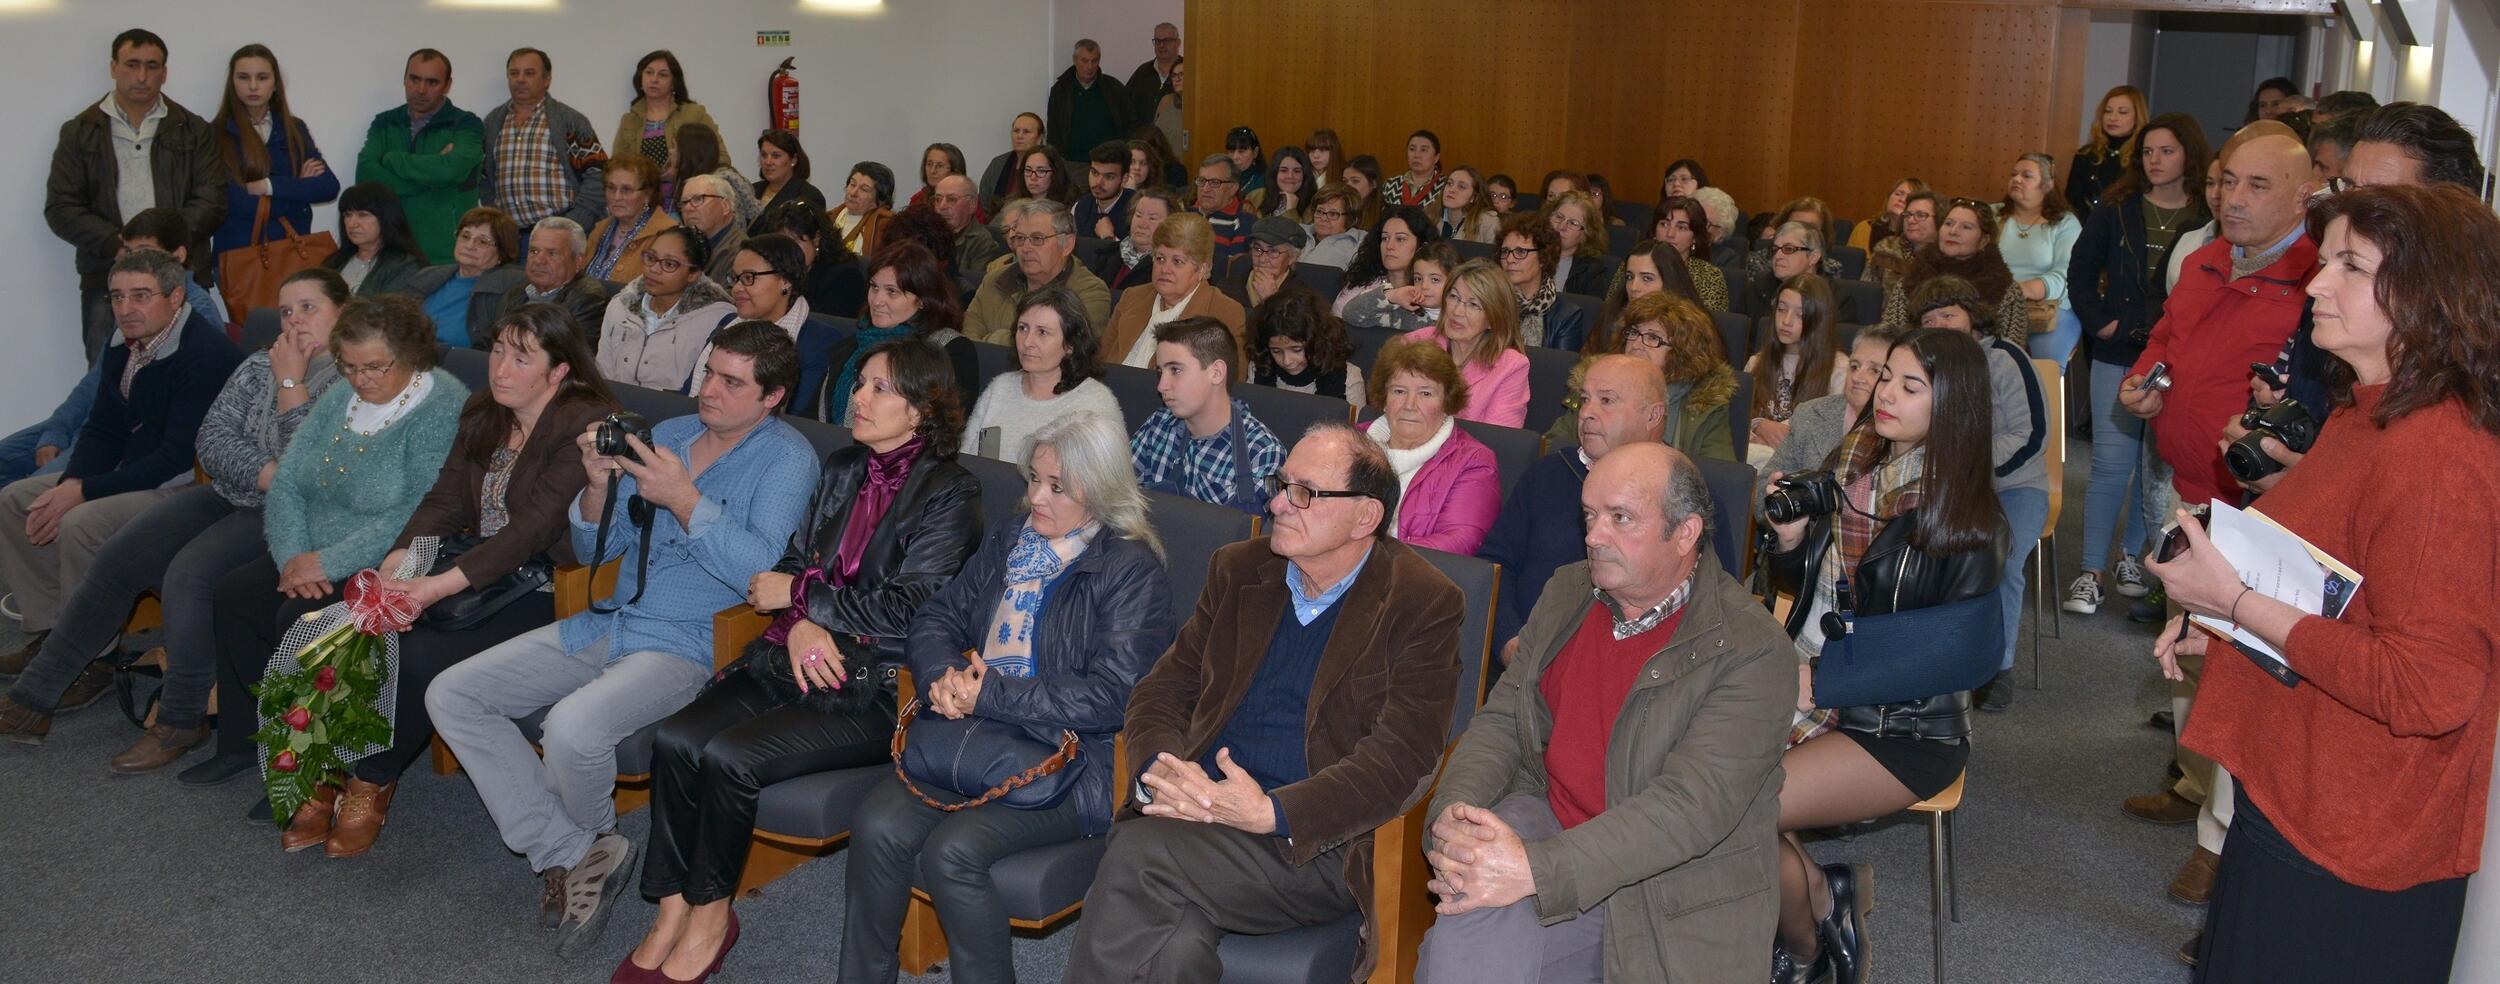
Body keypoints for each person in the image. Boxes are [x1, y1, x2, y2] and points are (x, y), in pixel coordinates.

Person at [2154, 182, 2500, 980]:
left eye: (2350, 265)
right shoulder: (2369, 409)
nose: (2315, 282)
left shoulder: (2439, 455)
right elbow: (2336, 581)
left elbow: (2430, 687)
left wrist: (2239, 604)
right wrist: (2223, 615)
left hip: (2356, 833)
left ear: (2430, 293)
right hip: (2297, 786)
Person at [427, 322, 816, 955]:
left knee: (573, 729)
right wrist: (597, 486)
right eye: (708, 372)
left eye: (731, 382)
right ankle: (579, 851)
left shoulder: (787, 458)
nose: (709, 390)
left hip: (690, 640)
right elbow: (598, 550)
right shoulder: (670, 435)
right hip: (611, 616)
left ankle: (574, 859)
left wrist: (686, 501)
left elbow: (761, 574)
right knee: (453, 694)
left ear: (772, 397)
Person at [602, 339, 978, 981]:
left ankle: (713, 917)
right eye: (860, 383)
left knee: (728, 755)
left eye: (880, 389)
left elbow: (912, 610)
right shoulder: (841, 467)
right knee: (675, 738)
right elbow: (789, 566)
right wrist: (803, 620)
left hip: (877, 683)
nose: (858, 397)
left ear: (921, 409)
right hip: (794, 653)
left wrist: (804, 602)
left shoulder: (950, 490)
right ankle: (670, 909)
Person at [1064, 423, 1463, 983]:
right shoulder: (1240, 568)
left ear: (1365, 517)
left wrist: (1271, 812)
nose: (1278, 501)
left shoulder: (1423, 603)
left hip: (1311, 842)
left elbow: (1403, 757)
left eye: (1305, 492)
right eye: (1282, 483)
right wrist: (1164, 774)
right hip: (1194, 812)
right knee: (1174, 948)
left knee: (1136, 854)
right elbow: (1165, 687)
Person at [1417, 440, 1790, 982]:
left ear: (1685, 532)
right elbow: (1503, 720)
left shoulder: (1751, 650)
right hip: (1549, 822)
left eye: (1621, 518)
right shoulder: (1569, 590)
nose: (1593, 536)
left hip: (1668, 883)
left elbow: (1687, 810)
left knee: (1460, 938)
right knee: (1470, 915)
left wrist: (1533, 871)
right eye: (1590, 515)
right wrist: (1454, 815)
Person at [835, 409, 1170, 984]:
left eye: (1057, 486)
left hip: (1071, 760)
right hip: (975, 733)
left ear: (1102, 488)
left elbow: (1112, 698)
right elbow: (937, 615)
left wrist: (989, 693)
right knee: (876, 824)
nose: (1036, 497)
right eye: (1034, 479)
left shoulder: (1130, 569)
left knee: (952, 855)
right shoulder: (1013, 539)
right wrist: (942, 673)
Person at [277, 303, 616, 856]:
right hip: (470, 569)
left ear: (559, 372)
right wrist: (398, 561)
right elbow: (443, 499)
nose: (501, 369)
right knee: (317, 622)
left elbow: (534, 529)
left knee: (411, 655)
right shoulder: (486, 411)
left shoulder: (581, 423)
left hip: (546, 586)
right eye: (499, 352)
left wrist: (432, 587)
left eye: (521, 359)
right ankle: (328, 766)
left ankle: (373, 779)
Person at [0, 268, 342, 754]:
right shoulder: (258, 365)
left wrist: (290, 381)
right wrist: (270, 473)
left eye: (309, 308)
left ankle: (182, 719)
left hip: (290, 519)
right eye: (286, 311)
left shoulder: (353, 381)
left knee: (188, 573)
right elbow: (212, 439)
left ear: (343, 313)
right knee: (119, 556)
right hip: (232, 495)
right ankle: (31, 699)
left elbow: (306, 475)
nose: (294, 322)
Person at [1762, 327, 2006, 981]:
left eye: (1909, 385)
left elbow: (1970, 653)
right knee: (1702, 776)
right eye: (1884, 377)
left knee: (1741, 807)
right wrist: (1790, 544)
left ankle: (1812, 944)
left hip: (1905, 727)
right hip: (1827, 683)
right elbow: (1818, 597)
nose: (1884, 394)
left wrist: (1824, 679)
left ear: (1951, 405)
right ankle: (1822, 893)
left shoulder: (1968, 518)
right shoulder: (1858, 473)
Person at [199, 295, 467, 791]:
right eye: (349, 366)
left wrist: (325, 561)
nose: (361, 379)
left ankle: (307, 770)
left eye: (374, 367)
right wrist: (291, 558)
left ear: (411, 355)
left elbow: (412, 511)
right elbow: (290, 481)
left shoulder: (440, 405)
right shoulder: (342, 396)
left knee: (296, 620)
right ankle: (241, 742)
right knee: (233, 595)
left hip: (378, 557)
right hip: (304, 549)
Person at [0, 249, 243, 670]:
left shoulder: (203, 353)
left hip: (188, 484)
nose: (125, 309)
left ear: (175, 297)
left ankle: (91, 658)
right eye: (116, 297)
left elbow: (175, 457)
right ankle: (53, 631)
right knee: (17, 500)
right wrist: (68, 484)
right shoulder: (124, 344)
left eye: (140, 295)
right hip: (136, 470)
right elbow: (103, 428)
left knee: (80, 522)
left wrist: (83, 492)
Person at [2117, 134, 2318, 510]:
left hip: (2261, 502)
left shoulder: (2318, 284)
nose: (2235, 199)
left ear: (2302, 198)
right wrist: (2142, 380)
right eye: (2229, 181)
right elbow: (2164, 339)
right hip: (2187, 486)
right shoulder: (2202, 261)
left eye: (2257, 185)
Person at [2061, 112, 2211, 615]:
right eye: (2147, 152)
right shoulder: (2118, 206)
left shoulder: (2206, 215)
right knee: (2109, 466)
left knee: (2159, 468)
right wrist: (2101, 324)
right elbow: (2079, 271)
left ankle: (2132, 556)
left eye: (2166, 151)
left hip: (2178, 355)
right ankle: (2089, 572)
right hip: (2118, 349)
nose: (2155, 160)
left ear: (2188, 154)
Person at [0, 210, 228, 503]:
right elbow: (93, 385)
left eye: (144, 252)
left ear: (178, 255)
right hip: (94, 423)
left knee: (30, 497)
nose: (130, 261)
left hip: (129, 441)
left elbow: (155, 429)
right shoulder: (130, 313)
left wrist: (80, 480)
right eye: (128, 251)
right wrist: (57, 429)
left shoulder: (196, 322)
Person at [1910, 278, 2048, 713]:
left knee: (2001, 563)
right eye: (1930, 321)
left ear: (1972, 317)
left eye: (1948, 315)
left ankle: (1997, 669)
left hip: (2014, 485)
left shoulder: (2006, 359)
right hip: (1950, 484)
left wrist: (1972, 468)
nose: (1940, 326)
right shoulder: (1931, 367)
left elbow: (2032, 435)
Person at [47, 28, 225, 360]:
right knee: (105, 376)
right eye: (132, 64)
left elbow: (212, 200)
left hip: (179, 277)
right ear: (113, 67)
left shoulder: (195, 129)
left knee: (189, 371)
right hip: (107, 277)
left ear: (165, 72)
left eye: (152, 66)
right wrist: (120, 247)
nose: (142, 76)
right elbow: (61, 207)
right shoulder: (79, 132)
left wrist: (163, 247)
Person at [1478, 355, 1670, 660]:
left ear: (1652, 416)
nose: (1587, 413)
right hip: (1526, 660)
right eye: (1585, 399)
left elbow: (1702, 606)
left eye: (1606, 400)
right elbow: (1494, 567)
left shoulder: (1682, 493)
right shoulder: (1547, 475)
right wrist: (1509, 642)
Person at [208, 44, 341, 288]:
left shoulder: (294, 129)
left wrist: (267, 185)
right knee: (255, 327)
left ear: (275, 83)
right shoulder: (215, 135)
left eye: (262, 77)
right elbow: (233, 203)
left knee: (296, 326)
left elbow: (328, 187)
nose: (253, 86)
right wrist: (299, 188)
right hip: (241, 259)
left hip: (293, 255)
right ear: (232, 82)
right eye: (243, 77)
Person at [1548, 295, 1736, 462]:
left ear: (1682, 352)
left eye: (1653, 338)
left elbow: (1719, 475)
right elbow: (1553, 446)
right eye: (1633, 333)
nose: (1636, 344)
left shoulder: (1704, 402)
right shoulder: (1596, 383)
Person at [1129, 317, 1284, 515]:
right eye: (1160, 372)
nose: (1161, 386)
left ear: (1216, 373)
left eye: (1175, 370)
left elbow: (1248, 540)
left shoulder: (1262, 453)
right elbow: (1115, 493)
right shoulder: (1158, 425)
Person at [1364, 341, 1498, 554]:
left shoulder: (1474, 461)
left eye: (1425, 394)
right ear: (1384, 398)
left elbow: (1460, 542)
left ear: (1446, 402)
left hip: (1414, 578)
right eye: (1399, 391)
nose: (1409, 404)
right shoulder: (1349, 442)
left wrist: (1366, 554)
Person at [965, 286, 1125, 463]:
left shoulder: (1094, 404)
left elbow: (1104, 484)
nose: (1027, 342)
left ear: (1071, 344)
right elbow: (966, 460)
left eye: (1042, 332)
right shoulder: (999, 388)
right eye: (1023, 328)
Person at [354, 49, 483, 267]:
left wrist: (390, 159)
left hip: (446, 253)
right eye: (414, 79)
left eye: (432, 82)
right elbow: (365, 176)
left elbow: (449, 169)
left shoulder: (467, 124)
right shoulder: (385, 122)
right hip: (390, 250)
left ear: (447, 85)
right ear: (404, 79)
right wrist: (432, 180)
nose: (421, 90)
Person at [820, 240, 975, 421]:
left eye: (892, 292)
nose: (877, 301)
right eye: (874, 287)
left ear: (923, 299)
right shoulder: (853, 345)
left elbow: (945, 424)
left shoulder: (949, 350)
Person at [1758, 325, 1905, 509]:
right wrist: (1775, 495)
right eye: (1854, 366)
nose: (1858, 377)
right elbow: (1762, 489)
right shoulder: (1811, 415)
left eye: (1875, 370)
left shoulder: (1904, 431)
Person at [477, 47, 608, 232]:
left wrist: (577, 220)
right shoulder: (492, 123)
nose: (520, 79)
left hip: (562, 232)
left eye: (529, 73)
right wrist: (497, 219)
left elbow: (598, 172)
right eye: (514, 73)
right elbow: (483, 177)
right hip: (512, 237)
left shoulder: (570, 120)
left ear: (546, 80)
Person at [703, 233, 841, 405]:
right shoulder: (727, 324)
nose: (736, 288)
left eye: (748, 278)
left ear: (785, 281)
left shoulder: (818, 341)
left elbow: (796, 414)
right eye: (734, 278)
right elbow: (687, 394)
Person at [595, 225, 733, 391]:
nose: (653, 269)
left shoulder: (718, 319)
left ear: (693, 273)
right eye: (651, 258)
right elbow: (603, 373)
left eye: (669, 264)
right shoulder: (620, 305)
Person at [964, 198, 1113, 343]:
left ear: (1067, 244)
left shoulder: (1091, 292)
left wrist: (996, 338)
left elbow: (1069, 349)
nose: (1025, 248)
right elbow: (969, 342)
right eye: (1020, 238)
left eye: (1037, 239)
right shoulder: (994, 280)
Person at [1878, 198, 2029, 337]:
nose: (1953, 231)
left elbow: (2009, 351)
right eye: (1948, 223)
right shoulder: (1911, 279)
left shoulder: (2006, 290)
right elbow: (1889, 339)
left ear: (1984, 240)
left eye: (1966, 227)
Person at [1408, 258, 1530, 427]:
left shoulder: (1511, 367)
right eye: (1454, 297)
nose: (1457, 311)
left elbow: (1498, 440)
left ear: (1493, 319)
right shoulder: (1414, 343)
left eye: (1473, 305)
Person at [1999, 152, 2085, 369]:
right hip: (1997, 306)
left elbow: (2068, 274)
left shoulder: (2066, 223)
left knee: (2043, 371)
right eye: (2013, 174)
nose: (2017, 179)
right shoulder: (1993, 216)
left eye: (2027, 176)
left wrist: (2024, 289)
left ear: (2047, 185)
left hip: (2050, 310)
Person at [1745, 274, 1848, 452]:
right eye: (1782, 309)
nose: (1786, 321)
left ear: (1818, 320)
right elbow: (1734, 423)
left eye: (1800, 315)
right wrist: (1757, 425)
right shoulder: (1756, 362)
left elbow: (1831, 438)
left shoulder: (1839, 370)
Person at [611, 50, 717, 210]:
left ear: (674, 83)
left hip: (687, 202)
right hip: (642, 206)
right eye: (649, 73)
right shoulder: (629, 120)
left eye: (663, 75)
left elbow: (718, 158)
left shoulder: (694, 114)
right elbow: (616, 166)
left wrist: (682, 174)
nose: (654, 79)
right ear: (640, 79)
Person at [408, 205, 524, 348]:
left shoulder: (509, 286)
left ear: (502, 252)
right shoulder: (428, 276)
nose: (469, 245)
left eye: (482, 241)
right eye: (465, 236)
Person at [752, 200, 866, 321]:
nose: (787, 250)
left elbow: (831, 327)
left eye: (795, 241)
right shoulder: (774, 270)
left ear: (816, 238)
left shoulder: (844, 276)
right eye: (781, 243)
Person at [1251, 287, 1364, 408]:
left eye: (1297, 349)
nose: (1287, 361)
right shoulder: (1260, 367)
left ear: (1317, 342)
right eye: (1276, 351)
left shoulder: (1349, 380)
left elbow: (1353, 427)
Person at [497, 217, 611, 335]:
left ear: (578, 262)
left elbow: (568, 351)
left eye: (552, 253)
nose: (539, 260)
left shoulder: (588, 300)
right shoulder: (516, 293)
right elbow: (488, 342)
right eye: (534, 251)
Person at [584, 155, 680, 287]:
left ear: (647, 194)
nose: (616, 197)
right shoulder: (600, 229)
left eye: (626, 190)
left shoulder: (667, 234)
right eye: (611, 188)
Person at [1496, 212, 1587, 351]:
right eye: (1505, 251)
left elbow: (1557, 369)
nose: (1509, 259)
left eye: (1520, 252)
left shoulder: (1567, 316)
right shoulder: (1489, 303)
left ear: (1543, 258)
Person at [1592, 240, 1705, 349]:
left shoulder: (1692, 330)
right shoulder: (1612, 317)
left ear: (1669, 282)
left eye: (1647, 278)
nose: (1633, 287)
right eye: (1629, 277)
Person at [322, 182, 429, 297]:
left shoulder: (405, 266)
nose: (352, 224)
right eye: (348, 215)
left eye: (363, 215)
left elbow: (389, 311)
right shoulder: (333, 263)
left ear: (386, 218)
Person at [1341, 228, 1454, 333]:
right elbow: (1350, 314)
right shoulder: (1403, 314)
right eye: (1418, 279)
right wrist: (1391, 296)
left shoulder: (1461, 318)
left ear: (1454, 282)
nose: (1424, 286)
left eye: (1435, 280)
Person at [1047, 39, 1133, 165]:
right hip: (1072, 163)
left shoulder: (1114, 88)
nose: (1090, 66)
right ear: (1074, 60)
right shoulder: (1060, 91)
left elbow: (1129, 122)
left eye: (1094, 61)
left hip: (1109, 163)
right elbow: (1053, 130)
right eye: (1084, 61)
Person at [2068, 86, 2145, 221]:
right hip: (2088, 227)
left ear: (2137, 117)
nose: (2113, 118)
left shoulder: (2143, 156)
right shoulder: (2086, 155)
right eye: (2107, 111)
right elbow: (2072, 201)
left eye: (2123, 112)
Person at [672, 123, 759, 232]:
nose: (670, 151)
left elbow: (730, 228)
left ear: (687, 151)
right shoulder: (690, 181)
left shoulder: (718, 184)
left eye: (673, 146)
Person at [932, 174, 1006, 299]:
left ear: (972, 205)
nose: (942, 206)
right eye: (938, 199)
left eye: (951, 199)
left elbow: (974, 289)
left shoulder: (983, 242)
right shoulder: (927, 236)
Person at [1654, 196, 1731, 313]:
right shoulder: (1636, 263)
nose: (1670, 234)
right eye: (1664, 224)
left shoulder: (1709, 277)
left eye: (1681, 227)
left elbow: (1707, 327)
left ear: (1694, 237)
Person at [1747, 219, 1833, 318]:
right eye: (1775, 249)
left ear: (1813, 257)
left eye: (1788, 249)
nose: (1777, 256)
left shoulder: (1835, 298)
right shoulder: (1759, 286)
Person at [1222, 216, 1308, 313]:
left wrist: (1272, 301)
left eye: (1273, 251)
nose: (1262, 259)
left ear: (1292, 257)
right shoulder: (1228, 289)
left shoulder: (1302, 300)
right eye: (1258, 249)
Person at [1098, 187, 1173, 294]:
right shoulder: (1109, 253)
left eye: (1152, 218)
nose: (1142, 224)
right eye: (1138, 215)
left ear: (1170, 225)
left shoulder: (1166, 268)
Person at [751, 129, 826, 234]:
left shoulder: (809, 196)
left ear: (794, 160)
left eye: (776, 156)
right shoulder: (751, 190)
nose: (768, 162)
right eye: (764, 155)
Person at [1868, 191, 1939, 301]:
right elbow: (1865, 295)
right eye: (1908, 214)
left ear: (1939, 221)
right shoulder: (1886, 250)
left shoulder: (1946, 258)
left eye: (1920, 215)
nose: (1911, 220)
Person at [677, 173, 746, 282]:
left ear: (725, 206)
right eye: (684, 202)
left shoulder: (740, 253)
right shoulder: (683, 246)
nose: (688, 208)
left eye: (698, 199)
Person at [1543, 191, 1610, 296]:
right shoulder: (1530, 253)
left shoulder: (1591, 272)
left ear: (1586, 234)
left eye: (1573, 223)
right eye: (1559, 217)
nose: (1561, 226)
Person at [1844, 177, 1930, 258]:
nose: (1902, 199)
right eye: (1898, 194)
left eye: (1909, 198)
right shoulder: (1864, 229)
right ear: (1888, 198)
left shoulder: (1920, 242)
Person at [978, 112, 1047, 211]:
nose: (1020, 136)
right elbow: (984, 200)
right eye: (1016, 131)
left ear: (1040, 138)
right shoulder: (998, 163)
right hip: (996, 221)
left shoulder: (1050, 164)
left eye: (1026, 132)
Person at [1194, 155, 1252, 271]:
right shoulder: (1184, 215)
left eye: (1214, 182)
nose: (1205, 189)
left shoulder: (1244, 223)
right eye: (1201, 181)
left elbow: (1230, 271)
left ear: (1233, 188)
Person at [832, 161, 897, 258]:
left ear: (880, 199)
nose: (853, 193)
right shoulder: (831, 217)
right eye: (852, 184)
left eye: (864, 189)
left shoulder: (886, 226)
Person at [1076, 141, 1137, 242]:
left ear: (1124, 179)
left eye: (1109, 177)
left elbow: (1140, 256)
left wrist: (1110, 238)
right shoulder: (1082, 205)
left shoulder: (1137, 210)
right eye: (1094, 172)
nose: (1098, 182)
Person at [1126, 22, 1183, 126]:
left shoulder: (1189, 71)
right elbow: (1126, 105)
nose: (1162, 45)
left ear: (1178, 43)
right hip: (1144, 139)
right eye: (1157, 41)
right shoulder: (1142, 72)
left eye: (1167, 41)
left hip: (1176, 138)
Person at [1299, 186, 1369, 271]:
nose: (1323, 218)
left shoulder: (1361, 241)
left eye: (1333, 214)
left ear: (1350, 218)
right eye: (1319, 211)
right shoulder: (1298, 231)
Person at [1435, 166, 1501, 243]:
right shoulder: (1431, 219)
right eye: (1449, 183)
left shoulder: (1488, 222)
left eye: (1461, 187)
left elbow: (1497, 254)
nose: (1452, 190)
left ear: (1474, 197)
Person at [1383, 130, 1447, 209]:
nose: (1416, 155)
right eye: (1412, 149)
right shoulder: (1391, 185)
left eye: (1423, 150)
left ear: (1436, 157)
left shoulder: (1445, 186)